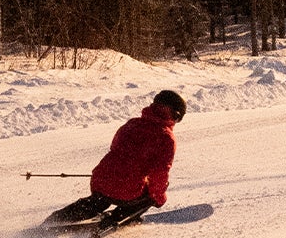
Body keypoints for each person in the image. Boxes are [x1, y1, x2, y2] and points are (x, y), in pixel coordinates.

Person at [48, 90, 187, 228]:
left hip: (100, 178)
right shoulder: (166, 138)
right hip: (127, 189)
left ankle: (55, 219)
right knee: (152, 194)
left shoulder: (132, 123)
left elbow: (114, 147)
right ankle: (119, 217)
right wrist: (159, 199)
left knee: (99, 200)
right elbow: (159, 174)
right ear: (175, 114)